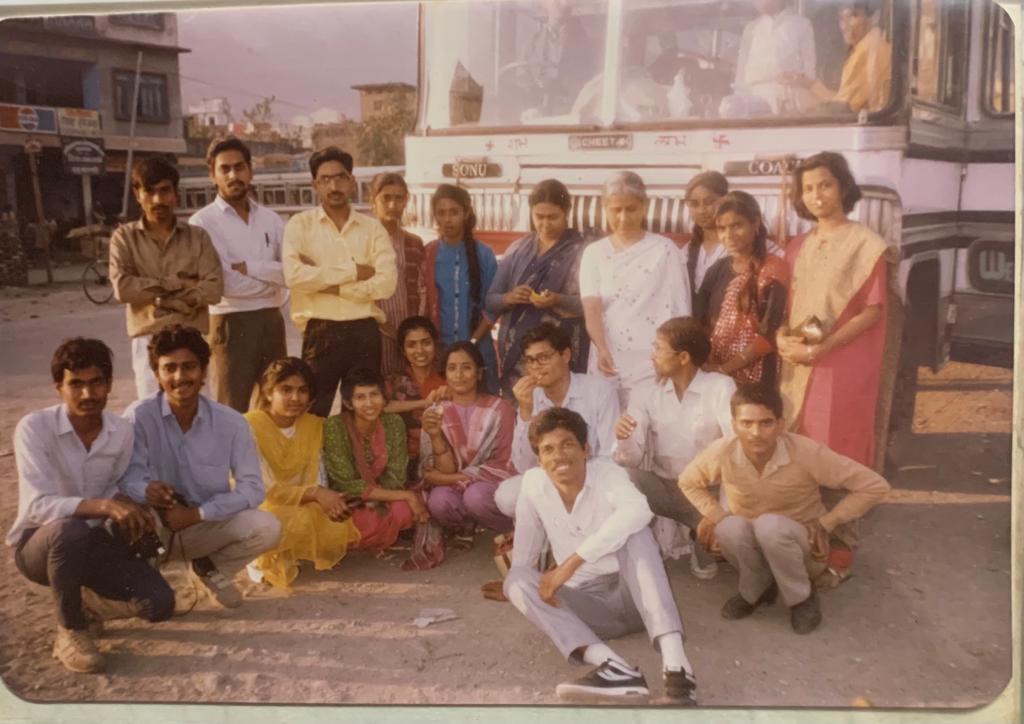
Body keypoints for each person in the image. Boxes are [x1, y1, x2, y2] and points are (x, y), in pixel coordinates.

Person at [504, 408, 697, 704]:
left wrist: (571, 563)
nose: (558, 456)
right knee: (515, 579)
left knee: (635, 533)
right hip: (588, 609)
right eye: (548, 450)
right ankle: (613, 667)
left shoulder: (608, 473)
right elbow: (525, 554)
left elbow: (638, 510)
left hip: (635, 597)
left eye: (567, 444)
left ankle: (677, 669)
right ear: (539, 459)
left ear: (586, 449)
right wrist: (521, 591)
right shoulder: (532, 484)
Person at [7, 338, 174, 673]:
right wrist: (105, 506)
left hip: (96, 542)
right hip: (41, 546)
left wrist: (139, 496)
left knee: (160, 604)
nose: (88, 394)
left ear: (109, 384)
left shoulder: (121, 430)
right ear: (59, 387)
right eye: (76, 384)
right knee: (69, 530)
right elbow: (39, 505)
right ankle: (70, 630)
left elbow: (122, 482)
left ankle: (87, 605)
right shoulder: (34, 428)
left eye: (96, 382)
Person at [678, 384, 890, 633]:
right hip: (754, 547)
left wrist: (828, 523)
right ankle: (756, 590)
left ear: (781, 424)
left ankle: (801, 598)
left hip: (804, 549)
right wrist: (715, 515)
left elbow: (874, 485)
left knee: (770, 526)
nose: (756, 433)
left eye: (766, 423)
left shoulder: (806, 452)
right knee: (728, 527)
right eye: (746, 423)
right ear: (734, 424)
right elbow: (688, 481)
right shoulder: (723, 451)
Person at [121, 325, 281, 609]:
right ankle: (145, 578)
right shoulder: (138, 416)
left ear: (204, 371)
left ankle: (209, 569)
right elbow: (124, 477)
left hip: (203, 525)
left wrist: (197, 514)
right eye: (169, 368)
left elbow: (252, 489)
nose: (180, 377)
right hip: (154, 528)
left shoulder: (231, 422)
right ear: (156, 374)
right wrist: (146, 490)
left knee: (267, 527)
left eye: (189, 367)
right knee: (153, 601)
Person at [776, 151, 892, 467]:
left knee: (834, 439)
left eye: (825, 185)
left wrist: (822, 348)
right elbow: (784, 305)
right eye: (808, 188)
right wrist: (781, 338)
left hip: (842, 358)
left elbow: (873, 310)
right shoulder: (797, 245)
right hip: (797, 360)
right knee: (795, 437)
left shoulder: (867, 244)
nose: (817, 195)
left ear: (842, 187)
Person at [613, 317, 735, 576]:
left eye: (658, 348)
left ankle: (703, 532)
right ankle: (631, 558)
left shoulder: (720, 387)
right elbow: (631, 459)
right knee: (621, 476)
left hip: (707, 493)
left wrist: (720, 514)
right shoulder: (645, 390)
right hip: (664, 489)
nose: (652, 355)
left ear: (683, 358)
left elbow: (736, 451)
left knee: (725, 546)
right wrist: (624, 438)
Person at [282, 146, 398, 416]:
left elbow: (386, 284)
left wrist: (330, 286)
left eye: (340, 177)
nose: (334, 186)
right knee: (312, 413)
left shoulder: (372, 229)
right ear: (315, 185)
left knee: (362, 414)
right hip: (320, 331)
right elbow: (294, 276)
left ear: (352, 181)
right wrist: (353, 271)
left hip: (364, 331)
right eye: (325, 179)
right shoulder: (300, 225)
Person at [109, 157, 224, 399]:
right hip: (147, 338)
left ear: (175, 194)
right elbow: (123, 288)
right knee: (151, 409)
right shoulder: (124, 238)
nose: (158, 200)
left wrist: (156, 296)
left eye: (164, 191)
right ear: (137, 194)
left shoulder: (198, 237)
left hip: (192, 337)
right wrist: (178, 284)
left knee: (196, 409)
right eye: (150, 191)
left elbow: (214, 289)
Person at [190, 137, 288, 413]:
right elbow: (225, 284)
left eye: (239, 167)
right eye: (225, 169)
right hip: (230, 324)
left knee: (275, 407)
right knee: (231, 410)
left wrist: (253, 269)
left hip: (271, 322)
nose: (233, 175)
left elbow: (290, 272)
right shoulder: (202, 223)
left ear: (250, 170)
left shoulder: (271, 219)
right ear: (212, 175)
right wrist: (272, 280)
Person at [245, 358, 361, 589]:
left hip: (300, 502)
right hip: (256, 506)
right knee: (274, 523)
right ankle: (259, 559)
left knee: (332, 521)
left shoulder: (313, 425)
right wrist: (316, 493)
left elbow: (317, 475)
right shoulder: (248, 426)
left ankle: (290, 551)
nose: (295, 398)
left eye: (302, 391)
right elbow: (263, 489)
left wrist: (325, 499)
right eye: (286, 390)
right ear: (268, 393)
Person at [580, 171, 691, 408]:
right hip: (608, 355)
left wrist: (670, 359)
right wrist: (601, 348)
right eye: (616, 210)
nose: (623, 217)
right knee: (608, 419)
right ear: (604, 208)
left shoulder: (665, 250)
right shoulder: (594, 253)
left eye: (631, 209)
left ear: (644, 207)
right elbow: (592, 308)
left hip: (653, 359)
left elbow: (680, 310)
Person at [495, 322, 619, 518]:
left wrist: (576, 479)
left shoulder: (599, 390)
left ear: (565, 355)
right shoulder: (530, 398)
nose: (536, 366)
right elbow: (523, 466)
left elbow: (610, 454)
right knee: (507, 496)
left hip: (593, 477)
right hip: (551, 478)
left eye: (543, 357)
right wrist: (526, 412)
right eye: (530, 360)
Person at [485, 179, 588, 397]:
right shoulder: (517, 249)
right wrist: (510, 297)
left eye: (553, 217)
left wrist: (557, 300)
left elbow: (591, 305)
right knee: (521, 405)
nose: (545, 224)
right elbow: (491, 299)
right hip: (518, 354)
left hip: (559, 354)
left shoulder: (583, 251)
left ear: (567, 212)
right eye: (539, 217)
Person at [322, 368, 429, 551]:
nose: (369, 403)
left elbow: (396, 476)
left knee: (404, 510)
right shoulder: (335, 427)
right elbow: (345, 483)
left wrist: (385, 496)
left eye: (374, 395)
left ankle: (378, 532)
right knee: (355, 522)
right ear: (348, 403)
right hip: (347, 501)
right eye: (360, 397)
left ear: (384, 398)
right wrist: (406, 495)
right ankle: (376, 533)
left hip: (383, 496)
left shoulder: (393, 423)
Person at [420, 342, 515, 538]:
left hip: (490, 485)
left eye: (466, 367)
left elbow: (505, 462)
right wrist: (435, 435)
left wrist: (458, 479)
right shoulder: (435, 413)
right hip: (453, 485)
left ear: (478, 373)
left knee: (475, 497)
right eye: (452, 368)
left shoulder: (500, 409)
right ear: (445, 374)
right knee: (439, 502)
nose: (459, 375)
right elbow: (433, 471)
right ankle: (467, 525)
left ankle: (512, 528)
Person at [695, 191, 789, 386]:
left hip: (757, 379)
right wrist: (710, 364)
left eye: (737, 226)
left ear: (755, 224)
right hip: (716, 375)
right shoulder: (716, 270)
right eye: (722, 228)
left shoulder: (773, 269)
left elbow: (770, 334)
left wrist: (726, 369)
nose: (728, 235)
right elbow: (700, 320)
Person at [423, 184, 500, 394]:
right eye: (441, 213)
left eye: (454, 212)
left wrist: (472, 342)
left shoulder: (484, 254)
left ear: (466, 213)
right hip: (440, 352)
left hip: (478, 349)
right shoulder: (428, 253)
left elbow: (493, 307)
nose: (447, 219)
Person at [782, 0, 891, 114]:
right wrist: (808, 83)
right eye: (841, 19)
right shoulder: (864, 48)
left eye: (853, 16)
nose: (844, 26)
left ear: (873, 17)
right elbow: (842, 100)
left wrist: (808, 106)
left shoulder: (870, 50)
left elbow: (842, 108)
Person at [370, 172, 426, 376]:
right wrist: (384, 325)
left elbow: (421, 289)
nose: (393, 205)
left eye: (399, 198)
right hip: (373, 328)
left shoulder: (413, 243)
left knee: (406, 382)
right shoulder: (361, 241)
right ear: (373, 201)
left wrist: (413, 329)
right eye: (386, 198)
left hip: (407, 329)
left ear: (406, 201)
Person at [383, 316, 449, 480]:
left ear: (435, 344)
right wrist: (424, 403)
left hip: (442, 462)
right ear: (403, 350)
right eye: (411, 345)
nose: (419, 350)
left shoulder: (448, 382)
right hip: (399, 466)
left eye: (426, 343)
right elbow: (380, 407)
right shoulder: (393, 382)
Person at [733, 0, 817, 115]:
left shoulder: (801, 25)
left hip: (790, 103)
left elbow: (810, 74)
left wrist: (797, 81)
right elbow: (741, 77)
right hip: (754, 103)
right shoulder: (751, 29)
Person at [682, 171, 730, 304]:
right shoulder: (686, 252)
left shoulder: (738, 245)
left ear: (725, 200)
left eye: (709, 202)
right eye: (694, 204)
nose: (701, 210)